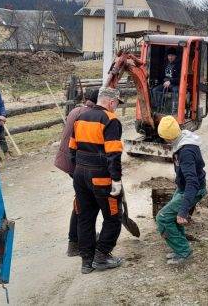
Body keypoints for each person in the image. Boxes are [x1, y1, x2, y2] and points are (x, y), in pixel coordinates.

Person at [69, 87, 125, 274]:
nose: (115, 107)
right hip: (101, 178)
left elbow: (72, 149)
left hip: (80, 175)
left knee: (85, 217)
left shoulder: (80, 117)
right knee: (113, 217)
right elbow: (113, 154)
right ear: (111, 102)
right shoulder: (110, 120)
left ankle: (86, 261)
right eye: (116, 104)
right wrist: (116, 180)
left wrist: (78, 171)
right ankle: (101, 256)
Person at [155, 116, 207, 265]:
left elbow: (192, 182)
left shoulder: (186, 152)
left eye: (164, 137)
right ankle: (181, 249)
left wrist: (183, 210)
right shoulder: (181, 141)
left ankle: (184, 253)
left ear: (168, 137)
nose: (164, 141)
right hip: (184, 188)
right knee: (170, 217)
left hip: (192, 190)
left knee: (163, 218)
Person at [54, 88, 99, 257]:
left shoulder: (76, 110)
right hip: (77, 163)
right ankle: (76, 242)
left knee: (82, 201)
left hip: (70, 161)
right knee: (85, 203)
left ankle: (77, 240)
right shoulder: (88, 115)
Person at [152, 48, 180, 113]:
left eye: (172, 55)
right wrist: (163, 80)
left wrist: (170, 81)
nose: (170, 57)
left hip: (174, 84)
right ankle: (159, 107)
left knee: (175, 91)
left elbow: (180, 78)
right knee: (155, 90)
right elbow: (161, 76)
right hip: (165, 83)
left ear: (175, 56)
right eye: (169, 55)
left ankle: (174, 110)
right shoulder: (165, 64)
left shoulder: (179, 65)